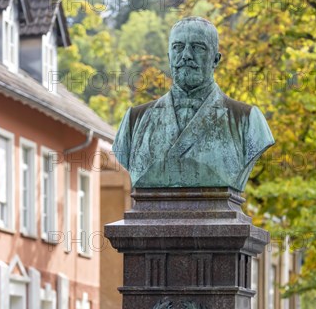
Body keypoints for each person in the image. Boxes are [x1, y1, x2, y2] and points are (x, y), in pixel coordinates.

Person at [113, 16, 275, 192]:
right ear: (169, 57)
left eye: (198, 48)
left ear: (215, 59)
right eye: (178, 47)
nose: (186, 56)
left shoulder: (247, 120)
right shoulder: (134, 121)